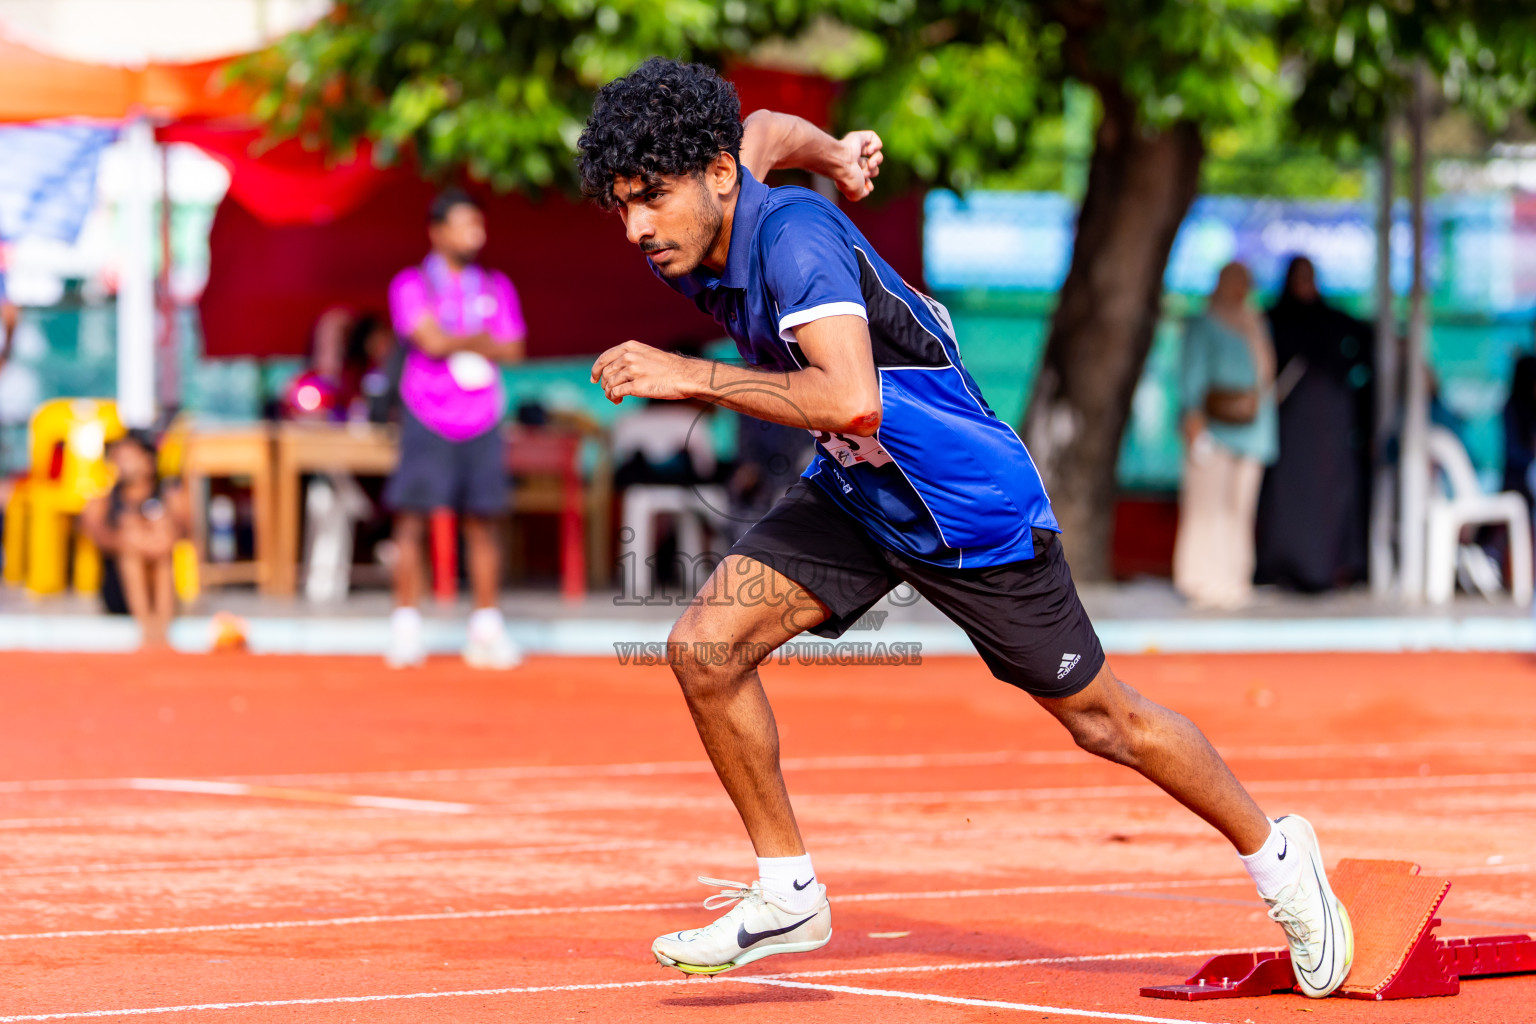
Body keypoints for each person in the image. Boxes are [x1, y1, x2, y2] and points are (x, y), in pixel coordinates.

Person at [579, 59, 1352, 996]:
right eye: (622, 206)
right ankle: (787, 891)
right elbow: (774, 126)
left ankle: (1279, 858)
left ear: (715, 176)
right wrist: (842, 153)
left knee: (1106, 723)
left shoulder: (794, 242)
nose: (636, 229)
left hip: (966, 509)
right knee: (704, 647)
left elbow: (851, 398)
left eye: (650, 200)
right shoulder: (723, 191)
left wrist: (688, 375)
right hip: (860, 495)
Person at [384, 188, 527, 670]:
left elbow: (515, 348)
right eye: (465, 225)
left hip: (483, 417)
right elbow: (429, 339)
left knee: (484, 522)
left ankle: (486, 627)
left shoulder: (495, 284)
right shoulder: (410, 283)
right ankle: (406, 625)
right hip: (426, 415)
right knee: (412, 520)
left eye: (479, 225)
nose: (476, 235)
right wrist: (483, 340)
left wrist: (461, 341)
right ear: (437, 231)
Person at [1255, 256, 1374, 592]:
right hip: (1290, 431)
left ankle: (1326, 567)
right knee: (1289, 499)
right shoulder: (1274, 320)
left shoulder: (1334, 321)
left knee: (1330, 495)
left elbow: (1365, 344)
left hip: (1331, 430)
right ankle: (1286, 567)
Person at [1173, 262, 1277, 610]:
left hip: (1253, 430)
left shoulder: (1255, 323)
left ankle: (1234, 578)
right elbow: (1192, 375)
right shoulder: (1203, 323)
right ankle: (1201, 580)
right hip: (1212, 429)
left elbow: (1266, 377)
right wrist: (1193, 419)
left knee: (1239, 509)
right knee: (1206, 506)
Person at [80, 430, 190, 649]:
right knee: (132, 551)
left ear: (148, 462)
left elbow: (185, 531)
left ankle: (160, 630)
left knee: (161, 551)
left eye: (129, 458)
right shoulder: (102, 500)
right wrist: (131, 538)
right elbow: (97, 537)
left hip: (158, 580)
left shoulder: (169, 496)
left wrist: (158, 537)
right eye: (118, 459)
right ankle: (149, 632)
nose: (122, 464)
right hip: (119, 591)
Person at [281, 306, 356, 422]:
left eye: (341, 337)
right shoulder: (303, 381)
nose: (336, 345)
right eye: (326, 336)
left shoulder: (358, 381)